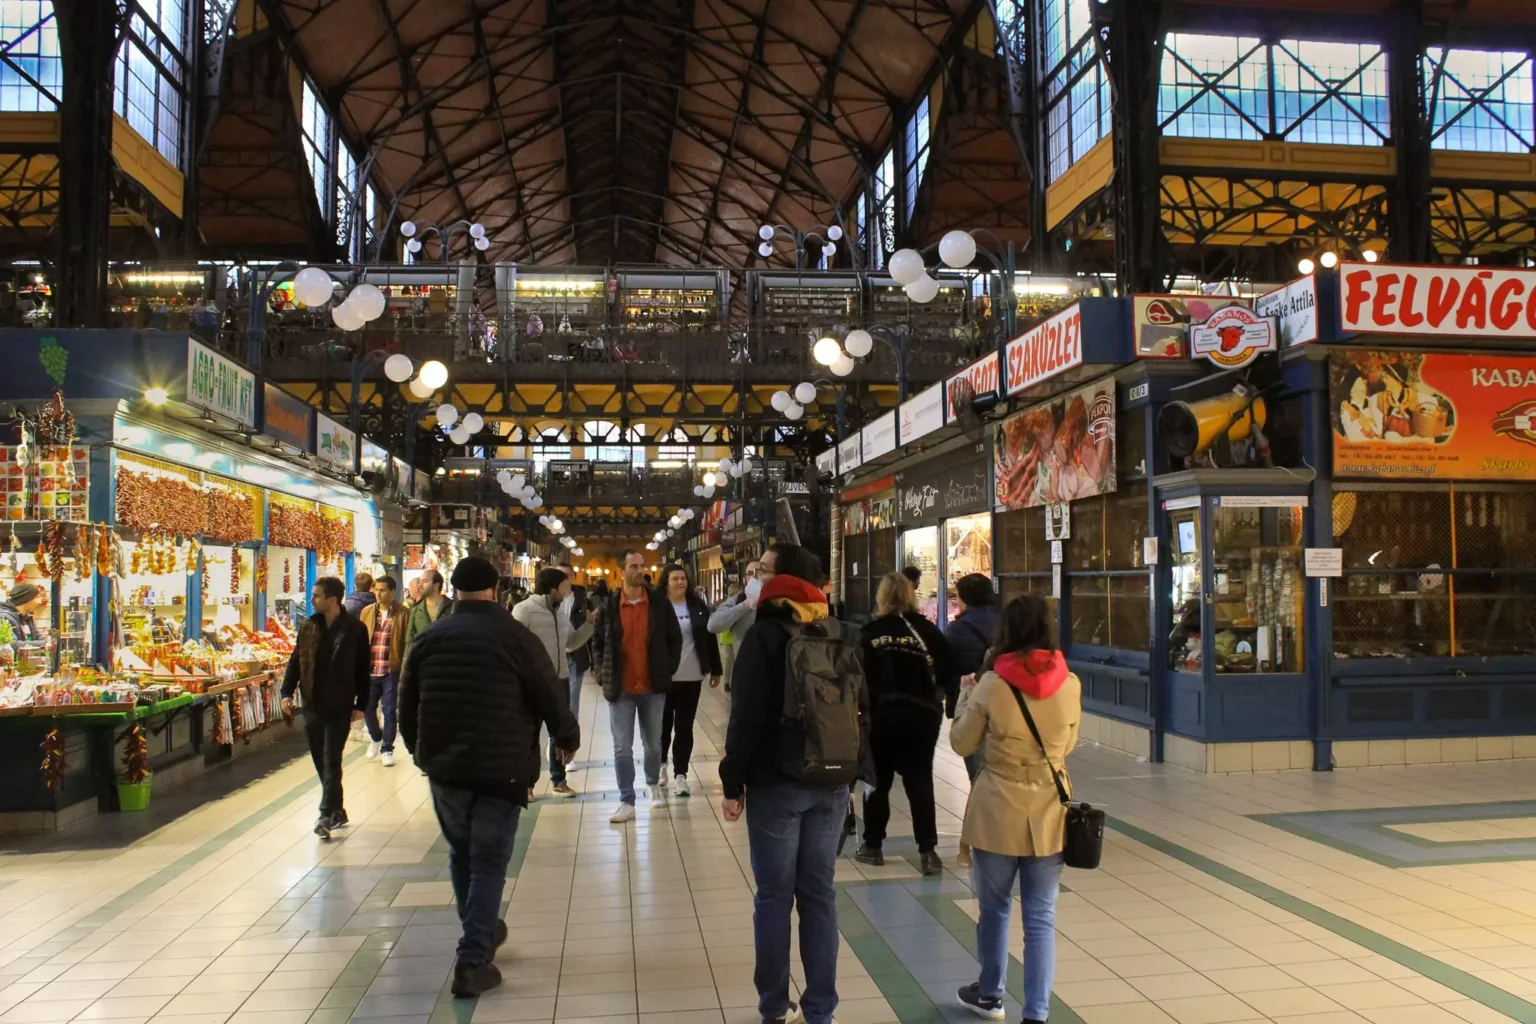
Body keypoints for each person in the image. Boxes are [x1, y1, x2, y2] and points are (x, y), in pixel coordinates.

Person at [398, 556, 580, 1000]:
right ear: (494, 592)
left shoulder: (429, 638)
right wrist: (566, 735)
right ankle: (472, 958)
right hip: (502, 766)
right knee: (490, 862)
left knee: (464, 854)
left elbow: (406, 704)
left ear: (454, 592)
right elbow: (546, 691)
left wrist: (422, 754)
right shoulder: (515, 637)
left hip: (446, 770)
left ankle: (480, 931)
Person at [719, 542, 868, 1024]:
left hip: (776, 784)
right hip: (830, 782)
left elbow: (746, 716)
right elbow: (863, 709)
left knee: (774, 897)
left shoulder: (764, 636)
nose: (755, 576)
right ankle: (821, 1008)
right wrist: (855, 773)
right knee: (820, 894)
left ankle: (773, 1007)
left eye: (761, 570)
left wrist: (732, 779)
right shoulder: (837, 631)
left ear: (780, 580)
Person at [950, 594, 1080, 1024]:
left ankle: (990, 995)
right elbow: (1068, 746)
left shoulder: (992, 683)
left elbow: (962, 743)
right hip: (1048, 811)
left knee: (995, 908)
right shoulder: (1071, 683)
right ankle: (1037, 1013)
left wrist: (964, 699)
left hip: (997, 810)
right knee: (1041, 917)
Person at [855, 571, 957, 875]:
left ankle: (873, 845)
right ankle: (928, 852)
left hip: (881, 717)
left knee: (878, 782)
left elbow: (856, 677)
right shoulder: (926, 631)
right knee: (919, 781)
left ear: (881, 597)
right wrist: (938, 698)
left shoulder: (869, 632)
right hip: (921, 716)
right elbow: (951, 668)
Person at [279, 577, 371, 838]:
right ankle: (337, 810)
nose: (311, 600)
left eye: (316, 595)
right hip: (312, 703)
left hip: (340, 704)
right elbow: (295, 661)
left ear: (332, 599)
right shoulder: (309, 626)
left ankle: (324, 814)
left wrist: (361, 704)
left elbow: (363, 669)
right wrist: (287, 692)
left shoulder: (354, 629)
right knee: (321, 759)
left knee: (331, 758)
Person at [594, 549, 681, 821]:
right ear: (622, 571)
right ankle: (627, 800)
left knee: (653, 744)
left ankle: (653, 784)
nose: (639, 571)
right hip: (621, 688)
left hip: (652, 687)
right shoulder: (609, 606)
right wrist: (600, 673)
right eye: (633, 566)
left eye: (642, 566)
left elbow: (674, 639)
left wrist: (667, 668)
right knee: (622, 747)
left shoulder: (658, 604)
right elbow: (596, 643)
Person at [512, 566, 596, 797]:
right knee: (530, 734)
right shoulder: (525, 610)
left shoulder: (560, 612)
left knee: (559, 733)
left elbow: (571, 642)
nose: (569, 591)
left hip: (559, 681)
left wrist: (589, 624)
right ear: (552, 589)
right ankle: (526, 785)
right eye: (565, 586)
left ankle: (559, 780)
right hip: (532, 683)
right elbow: (513, 646)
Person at [944, 572, 1000, 868]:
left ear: (964, 598)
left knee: (977, 778)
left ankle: (978, 842)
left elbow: (945, 666)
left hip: (971, 705)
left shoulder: (958, 630)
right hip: (1007, 707)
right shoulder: (1005, 622)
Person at [658, 564, 722, 796]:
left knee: (684, 727)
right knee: (662, 727)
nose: (680, 582)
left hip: (692, 676)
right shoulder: (657, 607)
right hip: (664, 678)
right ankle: (661, 765)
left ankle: (681, 775)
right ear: (666, 582)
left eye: (683, 578)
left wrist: (716, 669)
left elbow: (709, 638)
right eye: (674, 579)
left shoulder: (697, 607)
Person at [359, 575, 405, 766]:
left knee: (389, 710)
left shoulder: (403, 614)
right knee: (367, 709)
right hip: (370, 669)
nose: (378, 593)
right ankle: (376, 737)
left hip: (390, 669)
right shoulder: (367, 612)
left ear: (393, 592)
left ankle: (387, 748)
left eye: (383, 590)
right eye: (376, 589)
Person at [708, 560, 761, 695]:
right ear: (745, 578)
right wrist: (745, 605)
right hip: (746, 674)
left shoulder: (781, 601)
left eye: (759, 572)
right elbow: (713, 625)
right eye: (750, 573)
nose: (754, 577)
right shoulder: (738, 600)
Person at [404, 569, 452, 652]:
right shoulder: (417, 609)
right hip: (424, 660)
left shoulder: (451, 607)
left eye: (425, 581)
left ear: (436, 585)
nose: (420, 585)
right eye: (420, 582)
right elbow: (409, 641)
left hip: (446, 659)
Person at [0, 581, 47, 647]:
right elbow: (12, 644)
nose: (39, 602)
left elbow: (38, 637)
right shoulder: (3, 618)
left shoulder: (27, 617)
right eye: (37, 597)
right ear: (27, 599)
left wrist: (48, 642)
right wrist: (44, 644)